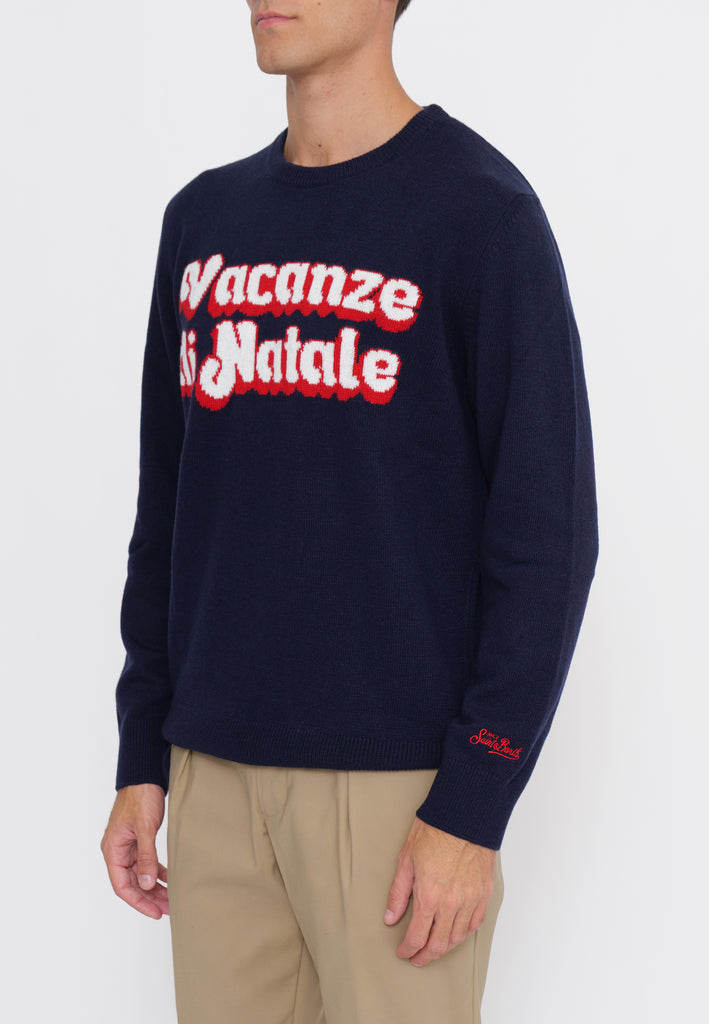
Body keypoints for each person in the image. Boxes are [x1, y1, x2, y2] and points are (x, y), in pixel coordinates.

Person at [101, 1, 599, 1022]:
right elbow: (169, 510)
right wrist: (142, 752)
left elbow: (547, 540)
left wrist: (472, 804)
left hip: (398, 795)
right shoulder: (202, 222)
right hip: (212, 775)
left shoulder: (480, 215)